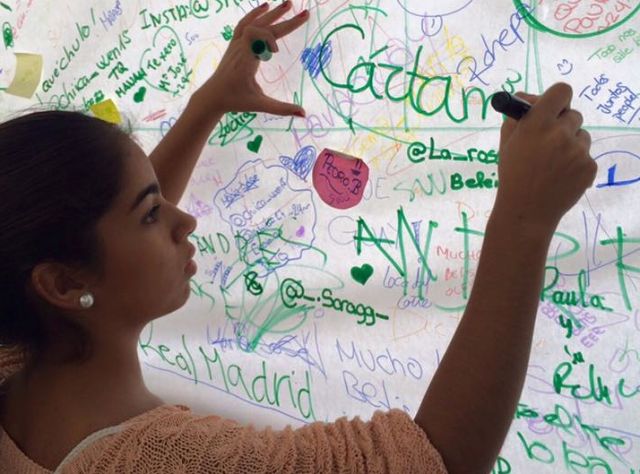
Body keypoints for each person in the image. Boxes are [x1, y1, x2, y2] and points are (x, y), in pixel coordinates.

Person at [0, 2, 596, 473]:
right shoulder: (168, 462)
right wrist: (524, 219)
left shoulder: (17, 359)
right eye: (154, 214)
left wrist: (208, 104)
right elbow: (438, 461)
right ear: (61, 281)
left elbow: (92, 223)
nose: (186, 220)